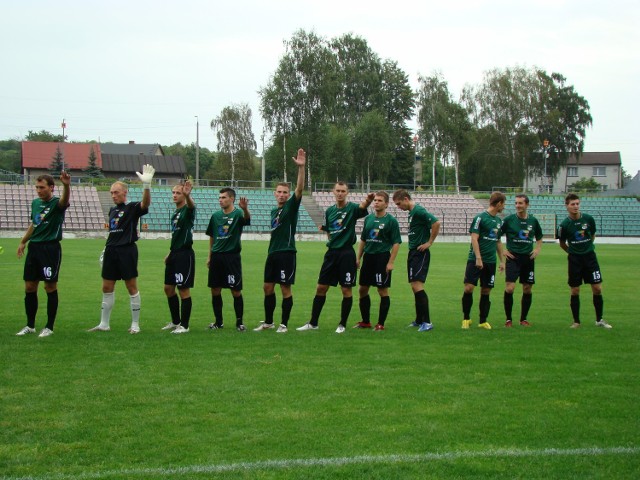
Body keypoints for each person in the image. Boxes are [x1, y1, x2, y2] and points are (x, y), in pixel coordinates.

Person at [297, 182, 374, 333]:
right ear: (333, 192)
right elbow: (328, 230)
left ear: (347, 192)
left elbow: (362, 207)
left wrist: (369, 200)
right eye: (337, 190)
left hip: (346, 254)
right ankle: (313, 323)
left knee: (346, 290)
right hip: (331, 253)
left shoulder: (351, 208)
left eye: (343, 191)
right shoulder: (330, 211)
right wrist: (332, 239)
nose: (340, 193)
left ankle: (342, 324)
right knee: (321, 287)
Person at [89, 164, 155, 334]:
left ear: (124, 193)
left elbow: (145, 203)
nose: (113, 195)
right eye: (111, 193)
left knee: (131, 286)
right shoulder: (112, 210)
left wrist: (146, 185)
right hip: (111, 251)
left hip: (127, 250)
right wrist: (105, 249)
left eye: (116, 192)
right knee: (106, 287)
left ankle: (135, 324)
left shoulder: (132, 207)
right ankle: (104, 324)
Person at [254, 148, 305, 333]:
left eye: (285, 192)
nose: (282, 195)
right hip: (272, 253)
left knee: (285, 288)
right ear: (274, 194)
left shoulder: (291, 206)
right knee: (267, 287)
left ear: (288, 194)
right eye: (279, 192)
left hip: (286, 252)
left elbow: (300, 189)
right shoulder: (273, 212)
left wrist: (301, 168)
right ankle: (268, 322)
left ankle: (283, 324)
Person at [16, 171, 71, 337]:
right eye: (37, 187)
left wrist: (66, 185)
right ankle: (30, 325)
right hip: (34, 248)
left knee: (49, 286)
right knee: (30, 286)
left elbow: (64, 200)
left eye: (42, 187)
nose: (39, 190)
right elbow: (34, 224)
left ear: (51, 188)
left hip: (50, 249)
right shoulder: (35, 203)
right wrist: (24, 241)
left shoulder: (56, 203)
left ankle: (49, 327)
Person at [557, 193, 611, 329]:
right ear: (567, 206)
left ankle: (599, 320)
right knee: (575, 290)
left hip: (590, 258)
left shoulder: (588, 219)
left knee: (597, 288)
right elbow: (562, 243)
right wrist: (573, 252)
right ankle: (576, 322)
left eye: (577, 204)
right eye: (572, 204)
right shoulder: (564, 225)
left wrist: (586, 248)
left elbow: (592, 235)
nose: (575, 206)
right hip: (575, 260)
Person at [392, 189, 441, 332]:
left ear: (406, 199)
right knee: (414, 286)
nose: (399, 207)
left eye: (399, 203)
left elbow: (436, 222)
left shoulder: (419, 210)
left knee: (418, 286)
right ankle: (419, 320)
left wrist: (429, 242)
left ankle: (427, 322)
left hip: (420, 253)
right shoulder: (412, 213)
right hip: (413, 252)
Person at [355, 191, 401, 331]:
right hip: (368, 257)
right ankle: (365, 321)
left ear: (386, 204)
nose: (376, 202)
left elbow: (396, 243)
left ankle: (381, 323)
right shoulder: (368, 219)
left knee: (382, 290)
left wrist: (391, 262)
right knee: (362, 289)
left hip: (382, 258)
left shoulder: (391, 221)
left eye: (380, 200)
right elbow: (363, 239)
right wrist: (358, 258)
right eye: (375, 200)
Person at [206, 188, 250, 332]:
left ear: (231, 199)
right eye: (220, 197)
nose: (221, 200)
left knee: (235, 290)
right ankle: (219, 322)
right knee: (215, 290)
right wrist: (210, 256)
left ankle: (239, 323)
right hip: (217, 257)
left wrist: (245, 210)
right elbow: (212, 236)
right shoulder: (215, 216)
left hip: (232, 257)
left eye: (224, 197)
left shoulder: (237, 213)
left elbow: (247, 220)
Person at [461, 191, 506, 330]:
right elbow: (474, 238)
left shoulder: (499, 221)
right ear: (498, 203)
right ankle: (466, 318)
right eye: (503, 204)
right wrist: (478, 258)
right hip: (475, 260)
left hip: (491, 261)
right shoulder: (480, 218)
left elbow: (498, 241)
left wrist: (502, 261)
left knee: (486, 290)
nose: (503, 207)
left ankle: (483, 320)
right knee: (469, 288)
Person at [501, 194, 543, 327]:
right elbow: (496, 236)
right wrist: (503, 250)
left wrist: (537, 249)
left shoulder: (533, 221)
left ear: (527, 205)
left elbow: (539, 237)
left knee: (527, 288)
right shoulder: (509, 220)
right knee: (510, 288)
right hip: (513, 257)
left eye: (520, 203)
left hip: (528, 258)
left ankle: (523, 319)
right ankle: (508, 319)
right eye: (516, 203)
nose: (518, 206)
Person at [161, 180, 196, 334]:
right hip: (174, 253)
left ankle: (185, 325)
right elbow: (177, 235)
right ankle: (176, 321)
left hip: (184, 254)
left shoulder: (187, 211)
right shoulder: (175, 213)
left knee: (183, 289)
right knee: (168, 288)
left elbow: (191, 206)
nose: (175, 195)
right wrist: (170, 252)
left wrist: (188, 196)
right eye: (173, 193)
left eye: (178, 193)